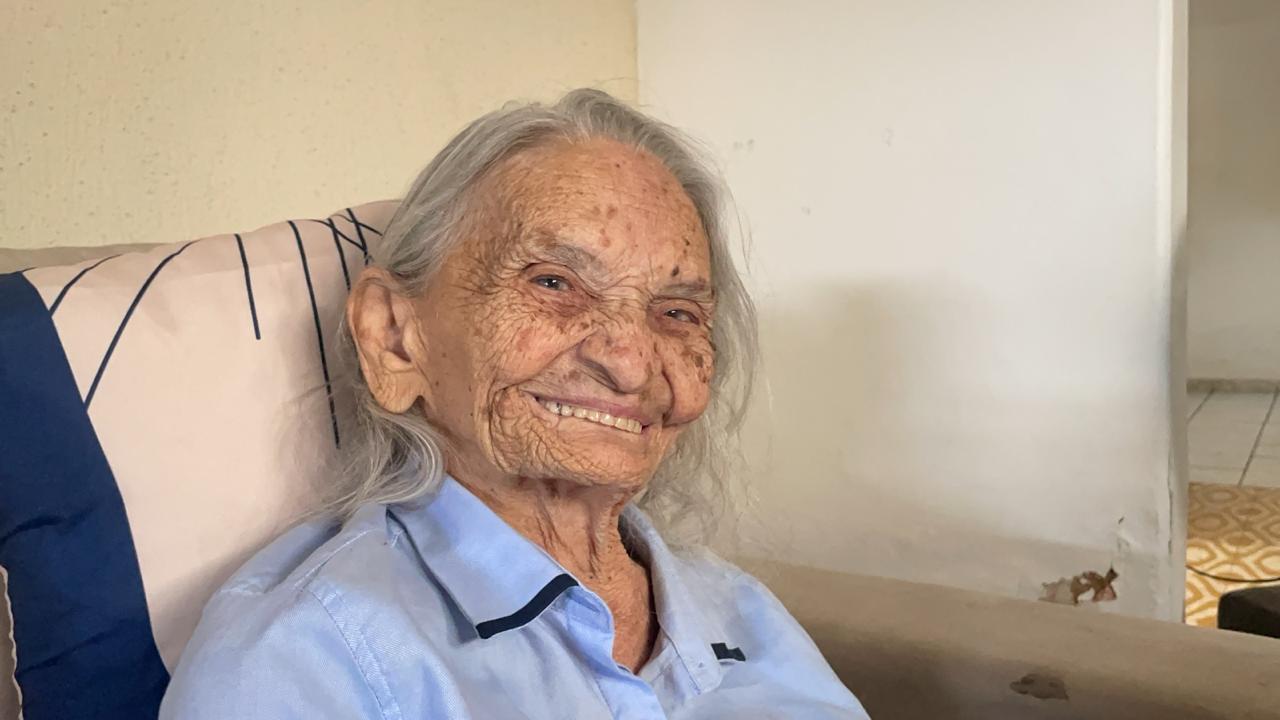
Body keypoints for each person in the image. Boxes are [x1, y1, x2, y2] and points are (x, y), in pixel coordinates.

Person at [160, 89, 869, 719]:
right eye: (555, 283)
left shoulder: (738, 608)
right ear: (396, 338)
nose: (629, 363)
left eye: (677, 313)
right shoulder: (310, 661)